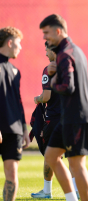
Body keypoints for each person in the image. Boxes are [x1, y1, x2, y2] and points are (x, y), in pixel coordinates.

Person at [40, 14, 88, 201]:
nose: (45, 38)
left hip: (75, 117)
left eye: (46, 33)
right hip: (70, 117)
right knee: (51, 156)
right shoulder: (75, 50)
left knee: (77, 165)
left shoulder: (65, 54)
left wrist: (53, 80)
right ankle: (72, 199)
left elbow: (67, 87)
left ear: (58, 31)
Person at [31, 42, 79, 199]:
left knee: (50, 155)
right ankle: (77, 192)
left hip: (54, 119)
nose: (45, 53)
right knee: (72, 157)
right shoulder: (71, 66)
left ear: (52, 49)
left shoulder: (49, 69)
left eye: (46, 49)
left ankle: (47, 191)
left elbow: (46, 97)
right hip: (72, 117)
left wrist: (37, 99)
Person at [0, 26, 30, 201]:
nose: (20, 47)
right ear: (10, 42)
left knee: (12, 173)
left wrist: (24, 129)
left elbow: (18, 103)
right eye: (18, 43)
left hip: (14, 130)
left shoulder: (15, 71)